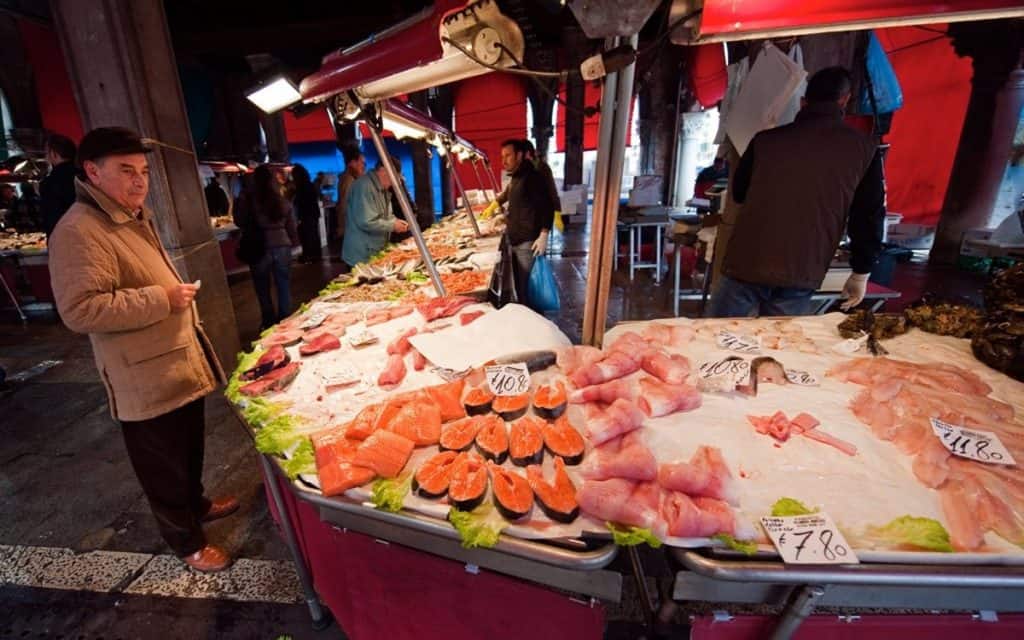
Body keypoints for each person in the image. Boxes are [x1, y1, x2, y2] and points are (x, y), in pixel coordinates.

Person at [47, 127, 235, 572]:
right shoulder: (78, 230)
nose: (140, 181)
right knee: (161, 465)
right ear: (92, 172)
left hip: (172, 361)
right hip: (141, 376)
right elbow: (79, 310)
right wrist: (163, 298)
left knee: (188, 448)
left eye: (144, 171)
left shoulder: (131, 215)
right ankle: (186, 542)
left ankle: (198, 504)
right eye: (126, 171)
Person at [707, 67, 885, 318]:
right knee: (777, 344)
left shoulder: (765, 141)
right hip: (802, 269)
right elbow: (868, 215)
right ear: (844, 100)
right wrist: (861, 271)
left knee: (715, 339)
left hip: (748, 261)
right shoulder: (864, 150)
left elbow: (739, 193)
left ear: (803, 102)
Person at [235, 164, 299, 329]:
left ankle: (269, 324)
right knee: (283, 285)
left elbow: (239, 221)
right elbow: (291, 226)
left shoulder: (248, 199)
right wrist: (294, 243)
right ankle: (286, 322)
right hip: (282, 246)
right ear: (272, 180)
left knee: (262, 288)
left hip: (259, 247)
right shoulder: (281, 200)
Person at [497, 139, 554, 304]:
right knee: (522, 290)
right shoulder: (516, 177)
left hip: (527, 243)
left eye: (508, 155)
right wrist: (506, 217)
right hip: (516, 240)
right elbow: (521, 205)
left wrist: (544, 234)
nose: (504, 160)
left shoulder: (532, 178)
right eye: (502, 156)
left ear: (519, 155)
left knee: (530, 291)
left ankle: (535, 324)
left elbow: (547, 206)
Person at [341, 156, 409, 268]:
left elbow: (387, 215)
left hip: (375, 250)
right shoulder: (364, 187)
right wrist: (393, 225)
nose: (394, 182)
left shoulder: (382, 189)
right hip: (361, 255)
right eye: (394, 177)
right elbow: (366, 222)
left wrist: (397, 222)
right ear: (383, 171)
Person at [40, 134, 78, 237]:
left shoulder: (50, 183)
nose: (46, 157)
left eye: (46, 153)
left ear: (53, 154)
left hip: (66, 237)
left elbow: (52, 219)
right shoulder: (86, 175)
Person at [291, 164, 322, 263]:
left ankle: (309, 255)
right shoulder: (310, 185)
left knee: (307, 235)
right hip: (312, 213)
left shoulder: (301, 187)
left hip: (306, 215)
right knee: (313, 235)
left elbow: (300, 202)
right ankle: (315, 255)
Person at [335, 146, 365, 243]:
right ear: (352, 162)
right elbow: (345, 205)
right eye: (361, 162)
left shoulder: (352, 178)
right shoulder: (349, 180)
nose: (363, 166)